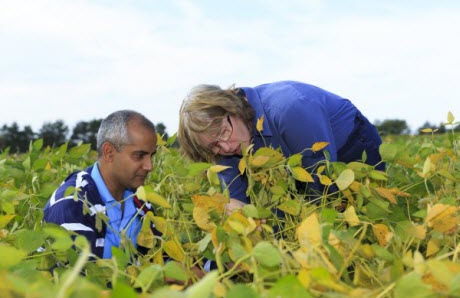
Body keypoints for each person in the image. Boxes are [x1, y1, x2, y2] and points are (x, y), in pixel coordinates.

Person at [178, 80, 385, 204]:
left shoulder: (289, 108)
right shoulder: (224, 145)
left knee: (360, 211)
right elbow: (238, 203)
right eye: (213, 146)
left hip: (351, 146)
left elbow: (323, 181)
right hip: (299, 169)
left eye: (223, 133)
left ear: (233, 109)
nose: (225, 147)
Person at [43, 110, 158, 259]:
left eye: (151, 155)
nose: (149, 166)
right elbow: (78, 279)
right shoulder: (72, 205)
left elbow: (159, 256)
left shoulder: (140, 202)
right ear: (109, 152)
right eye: (139, 155)